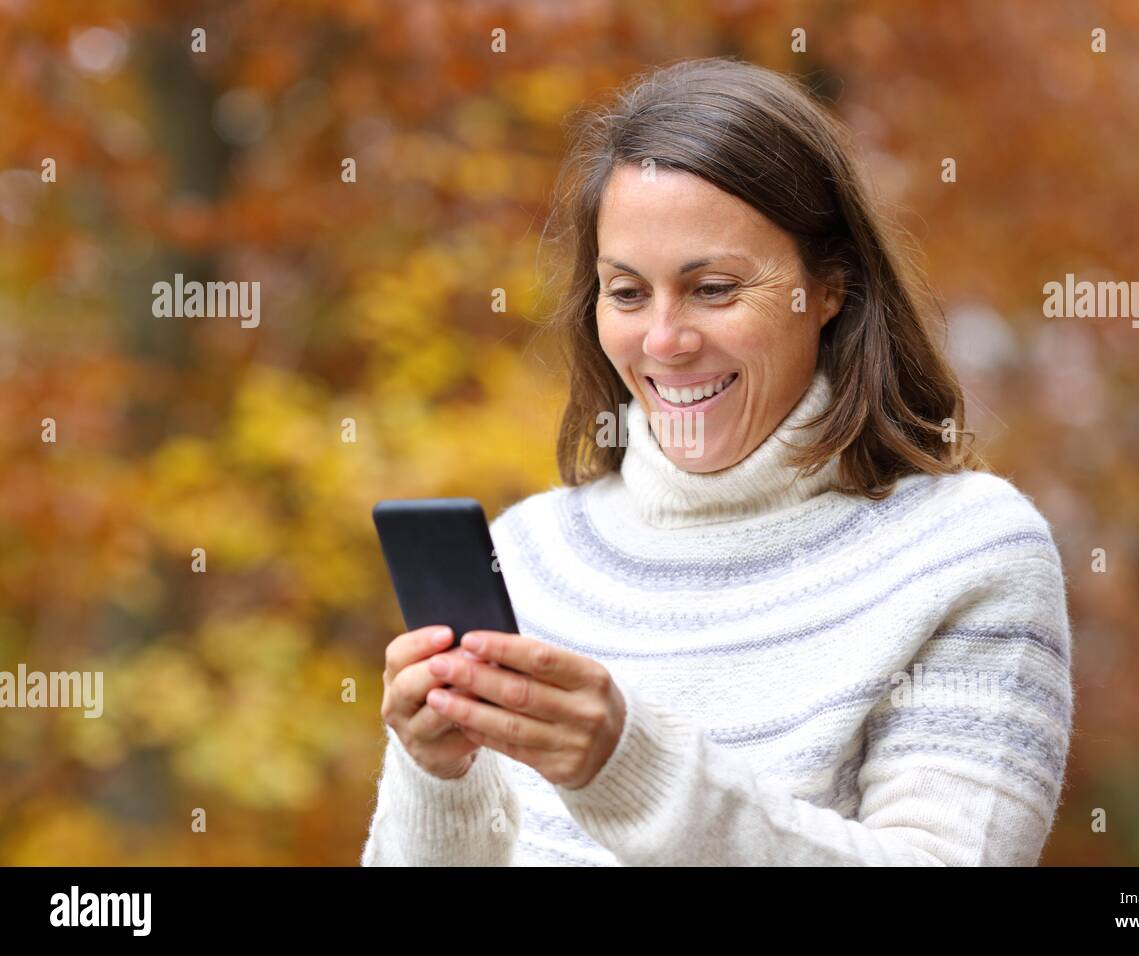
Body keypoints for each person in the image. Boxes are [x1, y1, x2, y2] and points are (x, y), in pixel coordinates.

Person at [362, 56, 1073, 866]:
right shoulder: (526, 557)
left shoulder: (967, 554)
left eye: (714, 289)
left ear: (830, 286)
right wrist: (438, 780)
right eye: (627, 294)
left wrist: (630, 770)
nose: (664, 341)